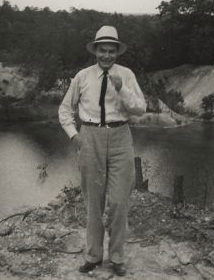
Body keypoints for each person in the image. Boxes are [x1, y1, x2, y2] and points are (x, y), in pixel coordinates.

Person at [58, 25, 146, 276]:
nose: (106, 56)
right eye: (102, 50)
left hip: (120, 138)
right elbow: (65, 110)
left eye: (111, 51)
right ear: (95, 51)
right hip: (90, 137)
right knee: (93, 203)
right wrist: (74, 135)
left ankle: (117, 257)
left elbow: (140, 108)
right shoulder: (82, 76)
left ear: (117, 52)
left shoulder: (126, 75)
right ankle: (94, 256)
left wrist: (122, 88)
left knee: (119, 202)